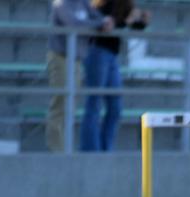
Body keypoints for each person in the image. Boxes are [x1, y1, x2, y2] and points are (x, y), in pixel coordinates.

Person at [80, 0, 151, 152]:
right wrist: (108, 23)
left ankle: (106, 149)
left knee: (115, 106)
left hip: (111, 54)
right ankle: (91, 151)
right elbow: (95, 20)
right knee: (94, 102)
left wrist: (142, 21)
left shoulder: (125, 4)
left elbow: (129, 23)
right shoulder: (101, 3)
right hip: (97, 50)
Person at [47, 0, 114, 152]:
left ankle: (65, 149)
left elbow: (98, 16)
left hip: (77, 59)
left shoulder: (82, 2)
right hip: (61, 57)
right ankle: (57, 152)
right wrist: (98, 25)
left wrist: (103, 21)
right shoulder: (61, 3)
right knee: (61, 104)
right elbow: (73, 24)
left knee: (70, 105)